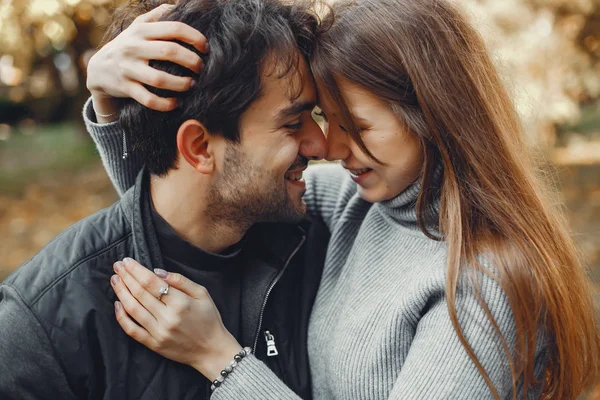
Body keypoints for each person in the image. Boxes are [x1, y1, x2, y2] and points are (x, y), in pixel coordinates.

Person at [88, 0, 600, 399]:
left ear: (435, 115)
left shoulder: (483, 285)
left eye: (355, 126)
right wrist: (108, 99)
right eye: (326, 119)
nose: (330, 147)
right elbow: (204, 199)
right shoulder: (357, 204)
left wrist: (220, 360)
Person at [0, 1, 332, 399]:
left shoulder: (316, 245)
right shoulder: (44, 319)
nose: (321, 144)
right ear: (199, 147)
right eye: (293, 123)